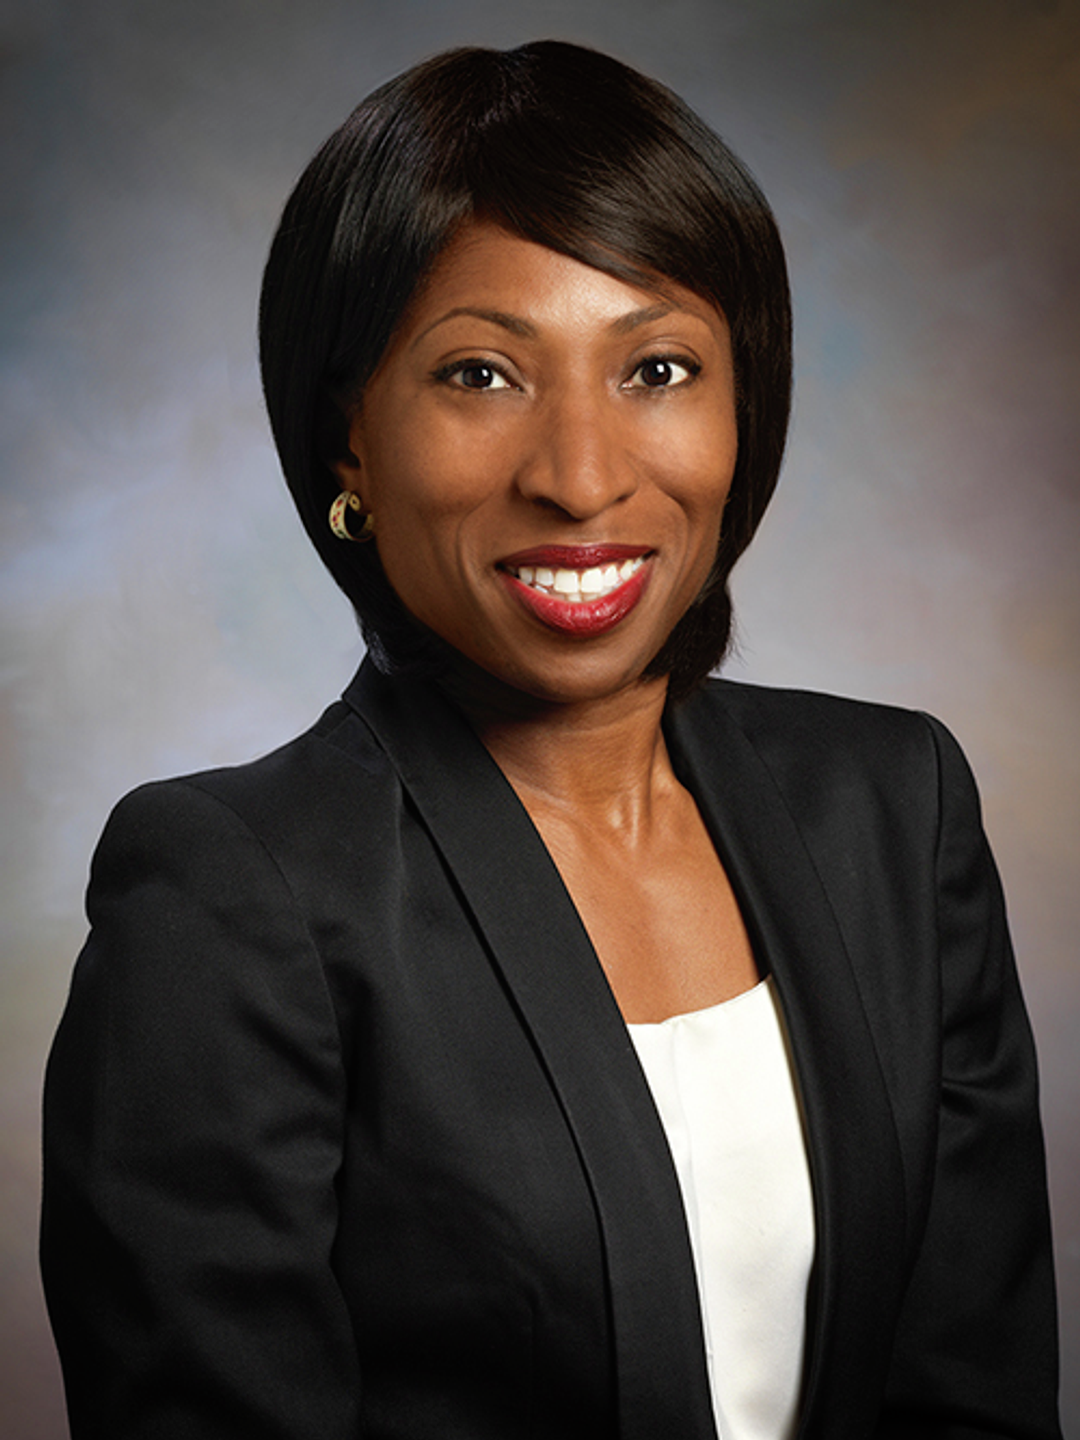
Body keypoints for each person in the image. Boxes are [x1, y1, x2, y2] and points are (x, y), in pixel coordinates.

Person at [40, 40, 1061, 1440]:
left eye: (655, 367)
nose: (580, 476)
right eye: (480, 373)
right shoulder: (227, 894)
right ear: (350, 442)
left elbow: (976, 1391)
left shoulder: (896, 805)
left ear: (742, 401)